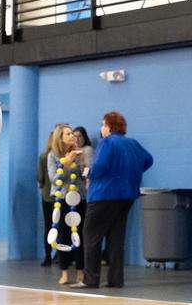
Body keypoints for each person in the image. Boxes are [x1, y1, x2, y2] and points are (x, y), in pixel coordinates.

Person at [82, 112, 151, 289]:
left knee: (91, 236)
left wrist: (89, 172)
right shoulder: (133, 143)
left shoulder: (107, 142)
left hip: (103, 195)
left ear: (109, 127)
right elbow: (148, 160)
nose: (101, 128)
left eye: (103, 124)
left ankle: (90, 279)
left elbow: (100, 166)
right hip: (127, 195)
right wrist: (131, 173)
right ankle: (115, 280)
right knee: (116, 238)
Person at [46, 123, 90, 285]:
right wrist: (66, 163)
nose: (73, 136)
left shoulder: (79, 152)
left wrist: (83, 164)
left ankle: (80, 271)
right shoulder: (53, 155)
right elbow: (54, 179)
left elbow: (83, 175)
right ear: (60, 138)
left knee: (80, 235)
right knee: (63, 235)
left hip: (79, 198)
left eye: (73, 133)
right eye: (68, 134)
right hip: (62, 199)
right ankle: (64, 271)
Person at [37, 122, 64, 268]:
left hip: (47, 196)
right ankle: (60, 255)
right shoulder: (64, 156)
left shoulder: (43, 156)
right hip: (62, 196)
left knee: (49, 227)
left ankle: (47, 256)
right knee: (62, 226)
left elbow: (40, 178)